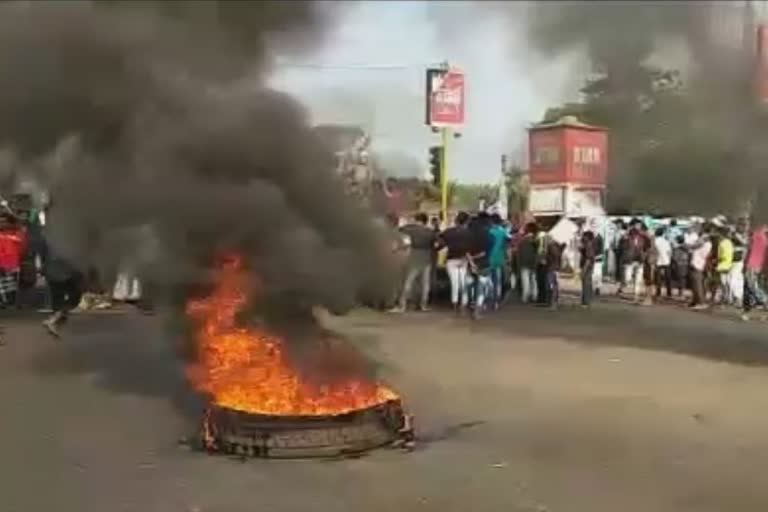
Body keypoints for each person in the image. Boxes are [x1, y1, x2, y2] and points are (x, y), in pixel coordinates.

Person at [390, 212, 436, 312]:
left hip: (414, 256)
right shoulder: (430, 232)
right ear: (425, 221)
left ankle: (402, 306)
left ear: (416, 220)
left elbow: (399, 233)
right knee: (425, 284)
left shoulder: (409, 229)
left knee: (408, 282)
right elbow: (437, 244)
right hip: (427, 257)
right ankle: (423, 305)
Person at [39, 236, 84, 337]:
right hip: (62, 272)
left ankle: (55, 318)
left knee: (62, 297)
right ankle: (55, 319)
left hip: (58, 271)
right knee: (71, 296)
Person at [439, 211, 471, 313]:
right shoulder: (469, 233)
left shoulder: (448, 232)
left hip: (451, 259)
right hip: (464, 259)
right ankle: (464, 302)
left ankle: (454, 302)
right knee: (463, 282)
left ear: (456, 220)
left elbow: (439, 241)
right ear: (466, 221)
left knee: (454, 282)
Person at [467, 213, 493, 319]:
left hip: (469, 263)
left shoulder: (468, 234)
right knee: (481, 288)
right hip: (484, 264)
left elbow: (466, 251)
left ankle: (470, 304)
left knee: (470, 285)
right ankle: (477, 310)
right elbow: (485, 252)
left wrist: (471, 262)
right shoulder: (488, 235)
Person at [0, 213, 27, 309]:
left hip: (10, 263)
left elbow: (22, 248)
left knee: (9, 288)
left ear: (10, 223)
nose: (1, 223)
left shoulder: (17, 234)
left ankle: (7, 301)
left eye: (4, 222)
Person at [742, 223, 768, 321]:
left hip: (752, 265)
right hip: (757, 266)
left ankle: (764, 302)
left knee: (751, 287)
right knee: (750, 287)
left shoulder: (757, 236)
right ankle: (747, 311)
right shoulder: (763, 238)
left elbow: (748, 250)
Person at [619, 221, 647, 303]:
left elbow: (647, 247)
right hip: (629, 261)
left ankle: (636, 295)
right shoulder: (627, 237)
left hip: (639, 260)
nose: (638, 229)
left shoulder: (643, 238)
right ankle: (625, 285)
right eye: (636, 227)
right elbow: (621, 246)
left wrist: (644, 255)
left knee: (638, 279)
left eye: (639, 227)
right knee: (628, 278)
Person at [487, 213, 509, 310]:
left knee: (488, 281)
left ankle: (488, 300)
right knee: (498, 281)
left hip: (488, 258)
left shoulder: (488, 231)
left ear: (491, 221)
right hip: (500, 259)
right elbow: (505, 247)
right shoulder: (503, 232)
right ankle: (496, 301)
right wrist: (507, 258)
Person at [688, 226, 712, 310]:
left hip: (698, 264)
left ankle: (701, 302)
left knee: (698, 284)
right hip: (697, 263)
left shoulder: (705, 242)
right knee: (695, 284)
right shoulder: (705, 242)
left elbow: (693, 246)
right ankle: (695, 301)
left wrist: (695, 243)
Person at [517, 222, 539, 304]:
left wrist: (518, 264)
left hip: (524, 263)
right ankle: (534, 296)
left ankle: (525, 297)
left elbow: (519, 253)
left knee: (525, 281)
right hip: (534, 262)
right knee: (534, 280)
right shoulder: (536, 240)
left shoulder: (522, 241)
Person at [714, 227, 734, 306]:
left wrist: (716, 260)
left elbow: (721, 255)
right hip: (729, 265)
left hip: (722, 265)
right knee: (726, 283)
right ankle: (729, 298)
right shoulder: (729, 242)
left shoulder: (722, 243)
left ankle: (723, 300)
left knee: (722, 284)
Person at [654, 227, 673, 299]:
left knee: (658, 278)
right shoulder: (666, 241)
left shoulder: (655, 241)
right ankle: (669, 293)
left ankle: (658, 293)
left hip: (658, 261)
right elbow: (669, 252)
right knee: (668, 278)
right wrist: (669, 259)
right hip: (666, 261)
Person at [579, 230, 597, 307]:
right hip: (588, 266)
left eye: (584, 236)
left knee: (586, 284)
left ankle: (586, 302)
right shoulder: (587, 245)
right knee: (586, 283)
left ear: (588, 237)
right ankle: (585, 301)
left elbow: (588, 259)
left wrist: (583, 270)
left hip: (587, 267)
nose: (583, 237)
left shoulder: (589, 245)